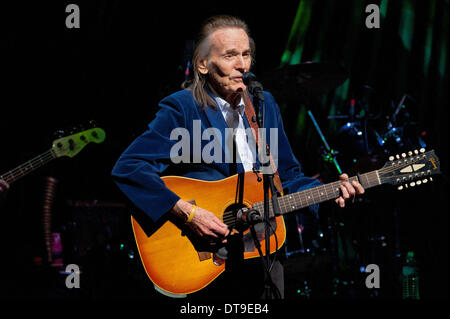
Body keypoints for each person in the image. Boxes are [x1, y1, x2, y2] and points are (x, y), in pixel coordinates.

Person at [111, 15, 364, 299]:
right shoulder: (183, 108)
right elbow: (130, 167)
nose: (242, 65)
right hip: (205, 255)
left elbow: (288, 179)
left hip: (263, 252)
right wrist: (189, 214)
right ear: (203, 64)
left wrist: (329, 194)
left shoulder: (263, 104)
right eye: (230, 55)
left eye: (246, 55)